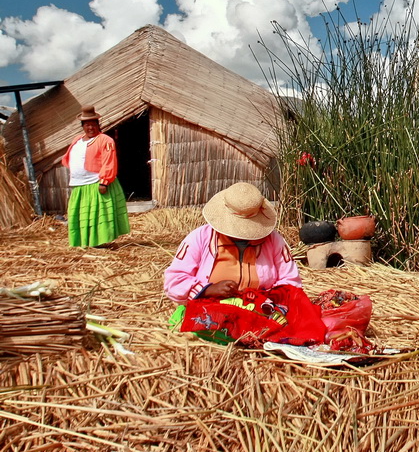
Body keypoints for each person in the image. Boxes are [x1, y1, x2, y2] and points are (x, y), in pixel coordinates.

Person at [164, 182, 325, 345]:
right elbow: (174, 282)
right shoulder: (200, 237)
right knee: (211, 317)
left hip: (262, 308)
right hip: (215, 305)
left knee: (300, 306)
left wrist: (262, 300)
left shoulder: (274, 241)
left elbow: (291, 282)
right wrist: (209, 290)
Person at [60, 106, 130, 247]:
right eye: (87, 125)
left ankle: (100, 242)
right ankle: (84, 241)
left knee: (98, 215)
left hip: (96, 183)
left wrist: (104, 181)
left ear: (98, 125)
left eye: (93, 124)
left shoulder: (105, 140)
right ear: (82, 126)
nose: (90, 127)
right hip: (80, 184)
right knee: (81, 214)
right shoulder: (77, 140)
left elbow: (109, 161)